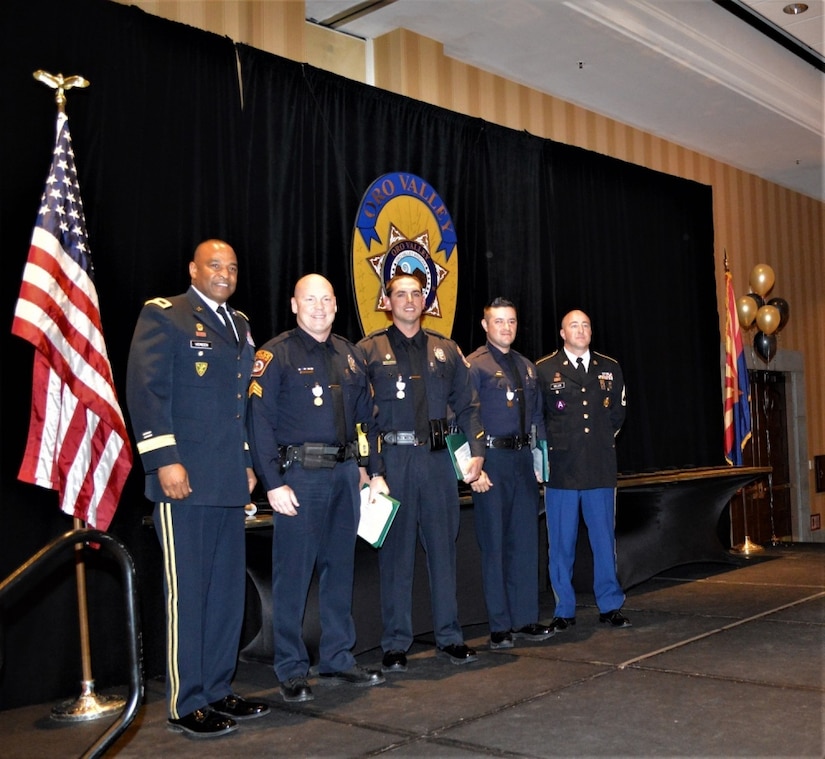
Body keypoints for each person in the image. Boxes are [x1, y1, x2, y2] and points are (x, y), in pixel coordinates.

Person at [126, 239, 269, 739]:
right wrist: (164, 459)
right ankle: (185, 702)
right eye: (215, 265)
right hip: (183, 479)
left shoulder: (240, 325)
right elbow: (146, 391)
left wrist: (248, 465)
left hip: (228, 479)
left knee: (227, 593)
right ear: (193, 268)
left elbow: (237, 408)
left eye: (231, 267)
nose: (224, 273)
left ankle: (216, 687)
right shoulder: (166, 316)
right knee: (189, 593)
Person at [246, 274, 386, 703]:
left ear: (337, 305)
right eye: (310, 299)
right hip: (299, 478)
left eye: (326, 299)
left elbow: (369, 419)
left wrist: (372, 469)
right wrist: (272, 484)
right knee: (293, 575)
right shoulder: (276, 355)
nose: (319, 307)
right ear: (293, 304)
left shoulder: (350, 355)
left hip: (346, 476)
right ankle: (290, 667)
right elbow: (259, 423)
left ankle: (338, 658)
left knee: (339, 570)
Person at [358, 272, 486, 672]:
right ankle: (396, 643)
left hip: (436, 463)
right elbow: (361, 418)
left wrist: (476, 453)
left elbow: (469, 406)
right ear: (387, 300)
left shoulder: (447, 351)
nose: (409, 300)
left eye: (416, 294)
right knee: (395, 556)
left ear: (426, 301)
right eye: (401, 294)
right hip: (392, 464)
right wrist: (368, 467)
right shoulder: (368, 351)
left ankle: (449, 636)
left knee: (443, 550)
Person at [535, 309, 631, 632]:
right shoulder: (544, 370)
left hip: (599, 467)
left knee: (604, 540)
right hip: (561, 471)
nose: (581, 330)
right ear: (562, 333)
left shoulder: (610, 368)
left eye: (586, 325)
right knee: (560, 543)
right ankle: (564, 608)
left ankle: (610, 604)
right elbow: (539, 420)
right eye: (574, 326)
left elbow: (617, 415)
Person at [466, 298, 552, 650]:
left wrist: (540, 463)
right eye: (498, 321)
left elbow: (537, 419)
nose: (506, 327)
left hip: (521, 461)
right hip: (491, 463)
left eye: (511, 321)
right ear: (486, 325)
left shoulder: (527, 367)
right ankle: (500, 625)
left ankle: (525, 619)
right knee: (495, 546)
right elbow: (460, 417)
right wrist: (473, 467)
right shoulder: (474, 366)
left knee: (525, 542)